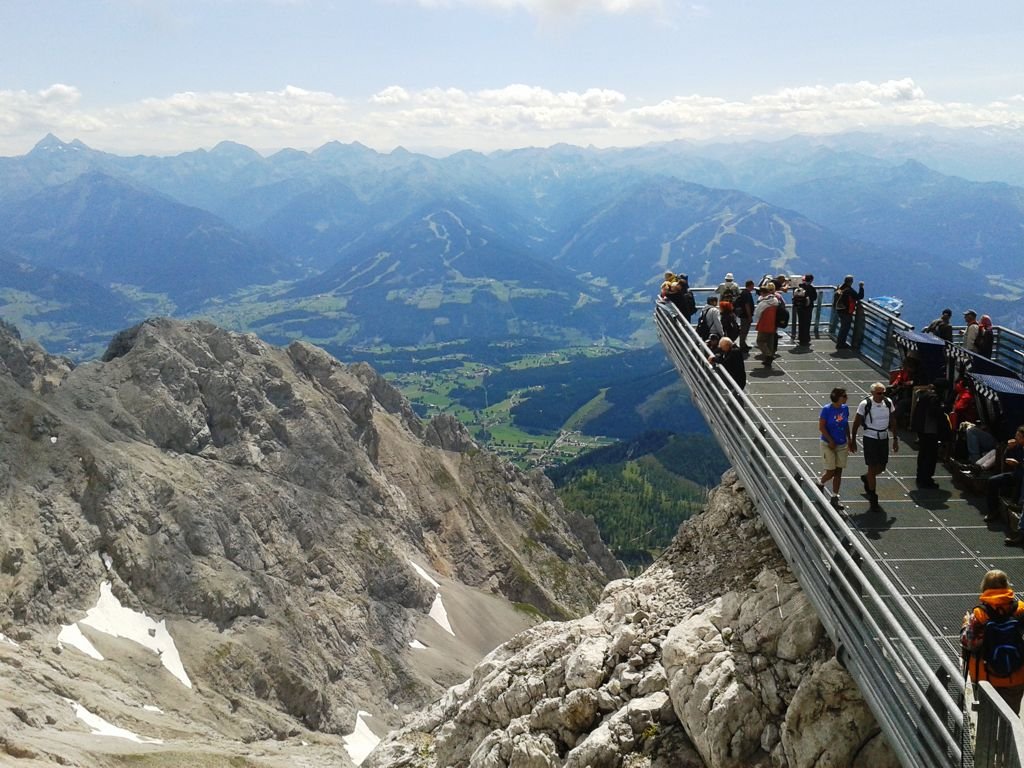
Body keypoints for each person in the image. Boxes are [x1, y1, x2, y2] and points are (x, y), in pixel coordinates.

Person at [962, 569, 1024, 713]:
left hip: (986, 678)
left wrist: (965, 624)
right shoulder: (1020, 609)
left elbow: (969, 643)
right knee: (1010, 720)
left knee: (987, 720)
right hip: (1016, 676)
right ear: (1007, 586)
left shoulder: (979, 614)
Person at [851, 383, 898, 510]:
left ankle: (867, 478)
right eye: (879, 393)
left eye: (883, 392)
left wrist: (895, 439)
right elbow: (856, 422)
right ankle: (873, 497)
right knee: (872, 467)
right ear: (872, 393)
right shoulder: (865, 404)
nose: (882, 395)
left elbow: (893, 420)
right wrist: (853, 440)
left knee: (882, 467)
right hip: (870, 438)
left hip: (883, 437)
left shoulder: (888, 402)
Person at [911, 378, 950, 489]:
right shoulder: (934, 398)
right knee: (930, 456)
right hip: (930, 430)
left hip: (921, 429)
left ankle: (920, 476)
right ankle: (926, 479)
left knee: (923, 454)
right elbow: (935, 413)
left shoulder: (924, 395)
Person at [819, 387, 854, 511]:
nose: (846, 398)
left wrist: (849, 439)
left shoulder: (845, 408)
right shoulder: (827, 410)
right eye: (844, 396)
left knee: (839, 471)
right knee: (831, 471)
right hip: (828, 444)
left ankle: (834, 497)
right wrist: (831, 440)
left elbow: (845, 424)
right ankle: (820, 482)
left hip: (841, 444)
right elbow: (822, 427)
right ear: (837, 397)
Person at [990, 427, 1024, 539]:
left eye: (1018, 436)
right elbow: (1006, 459)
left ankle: (1018, 503)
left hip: (1021, 476)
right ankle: (993, 510)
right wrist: (1008, 449)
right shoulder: (1017, 447)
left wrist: (1018, 464)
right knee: (992, 481)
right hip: (1015, 474)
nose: (1016, 438)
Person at [752, 283, 781, 368]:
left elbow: (757, 314)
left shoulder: (763, 303)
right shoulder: (775, 300)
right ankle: (769, 356)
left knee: (760, 341)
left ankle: (768, 355)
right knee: (770, 342)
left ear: (762, 293)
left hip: (764, 324)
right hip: (773, 324)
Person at [834, 275, 864, 350]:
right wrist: (861, 287)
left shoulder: (840, 287)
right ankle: (841, 344)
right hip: (846, 311)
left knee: (843, 327)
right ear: (851, 282)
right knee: (845, 328)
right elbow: (859, 296)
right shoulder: (849, 290)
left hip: (839, 310)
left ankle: (840, 342)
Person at [792, 273, 817, 348]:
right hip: (808, 307)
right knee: (807, 323)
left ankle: (800, 337)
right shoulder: (811, 288)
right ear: (811, 280)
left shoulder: (800, 286)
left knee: (801, 322)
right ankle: (805, 339)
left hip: (800, 307)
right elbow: (814, 297)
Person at [735, 279, 756, 355]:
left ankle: (743, 344)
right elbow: (747, 305)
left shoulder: (744, 292)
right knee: (744, 330)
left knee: (745, 330)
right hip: (745, 315)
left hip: (743, 314)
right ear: (751, 285)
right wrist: (749, 315)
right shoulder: (747, 293)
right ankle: (742, 345)